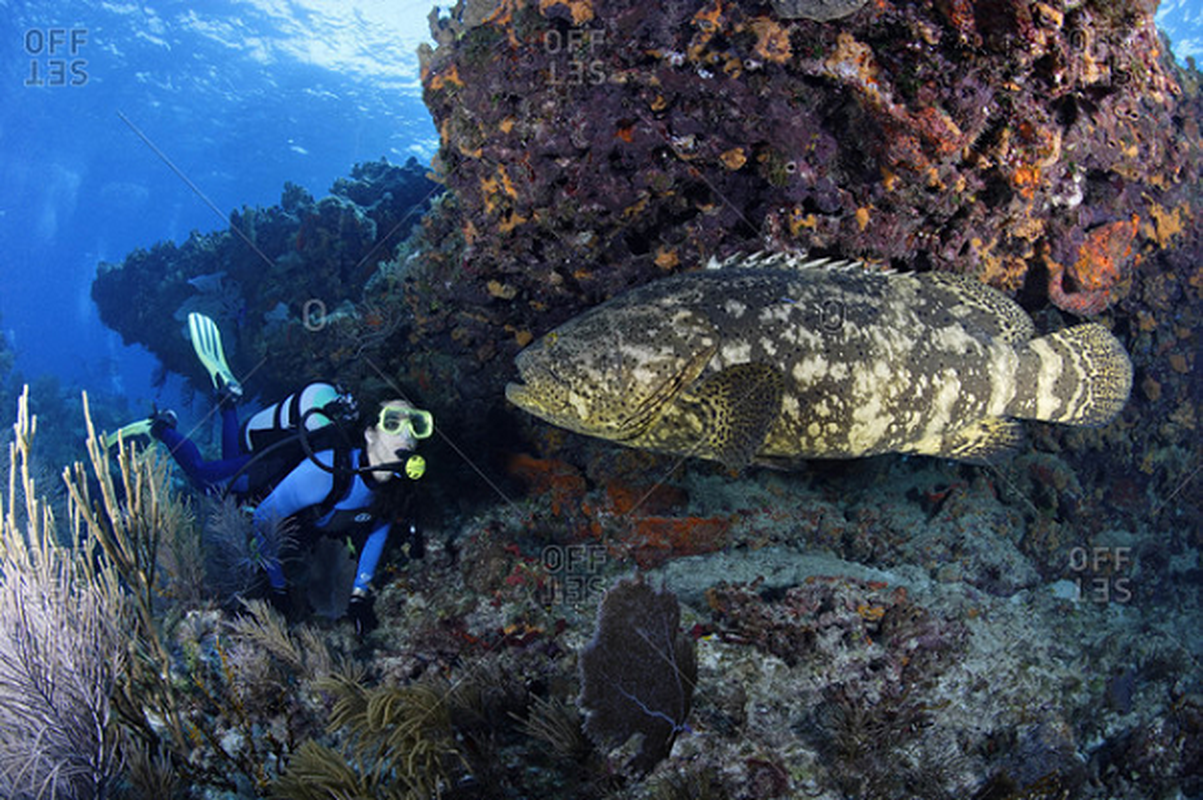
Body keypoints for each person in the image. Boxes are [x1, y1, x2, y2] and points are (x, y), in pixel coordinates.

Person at [105, 313, 431, 633]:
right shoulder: (328, 472)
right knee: (205, 479)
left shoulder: (396, 489)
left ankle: (228, 399)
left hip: (262, 472)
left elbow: (375, 535)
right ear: (370, 433)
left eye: (417, 425)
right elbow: (263, 518)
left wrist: (359, 596)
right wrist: (278, 587)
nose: (406, 434)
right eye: (393, 422)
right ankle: (162, 427)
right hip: (267, 475)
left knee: (233, 458)